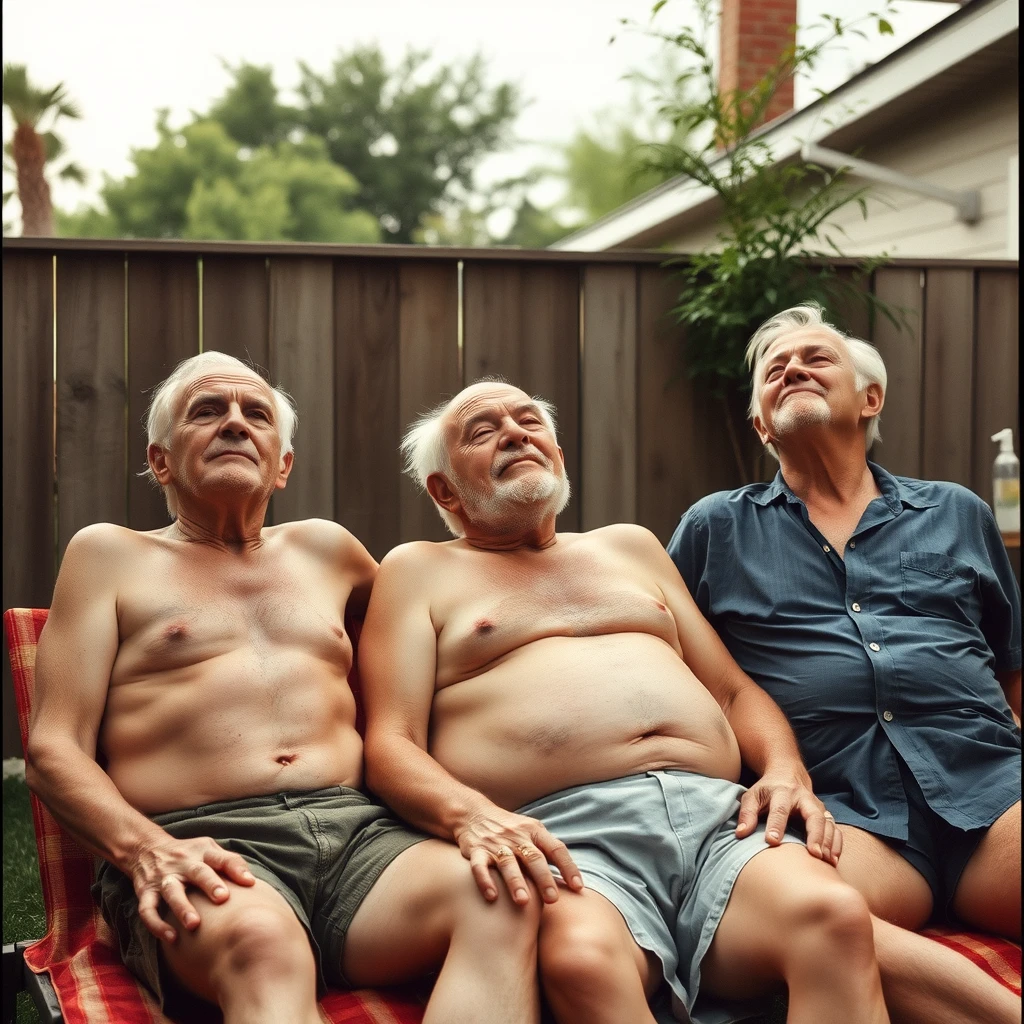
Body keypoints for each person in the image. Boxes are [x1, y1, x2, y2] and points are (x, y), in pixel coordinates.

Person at [25, 352, 545, 1024]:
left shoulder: (329, 551)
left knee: (503, 894)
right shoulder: (109, 556)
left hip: (362, 840)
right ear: (160, 461)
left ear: (283, 465)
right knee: (265, 944)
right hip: (205, 841)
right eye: (207, 412)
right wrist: (146, 851)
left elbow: (447, 621)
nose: (235, 423)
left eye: (256, 415)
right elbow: (53, 752)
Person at [357, 378, 891, 1024]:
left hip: (721, 823)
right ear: (444, 490)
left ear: (557, 456)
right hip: (568, 837)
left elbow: (732, 690)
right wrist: (472, 815)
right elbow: (390, 742)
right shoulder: (417, 571)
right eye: (483, 430)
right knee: (583, 961)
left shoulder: (630, 547)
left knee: (833, 918)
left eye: (529, 420)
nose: (515, 432)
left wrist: (784, 769)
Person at [667, 303, 1022, 1024]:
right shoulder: (714, 529)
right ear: (762, 426)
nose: (793, 368)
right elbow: (673, 673)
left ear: (871, 399)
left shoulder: (956, 512)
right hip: (846, 813)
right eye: (774, 371)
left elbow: (1012, 661)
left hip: (990, 787)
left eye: (816, 358)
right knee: (794, 920)